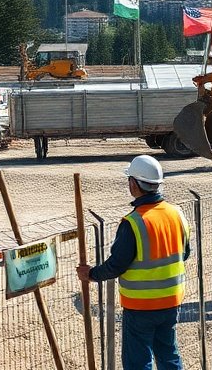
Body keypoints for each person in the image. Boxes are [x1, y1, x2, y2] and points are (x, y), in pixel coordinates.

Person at [76, 155, 190, 370]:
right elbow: (184, 254)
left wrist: (90, 274)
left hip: (141, 307)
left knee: (138, 362)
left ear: (134, 184)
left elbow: (116, 265)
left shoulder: (134, 222)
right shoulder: (177, 214)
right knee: (168, 355)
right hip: (171, 301)